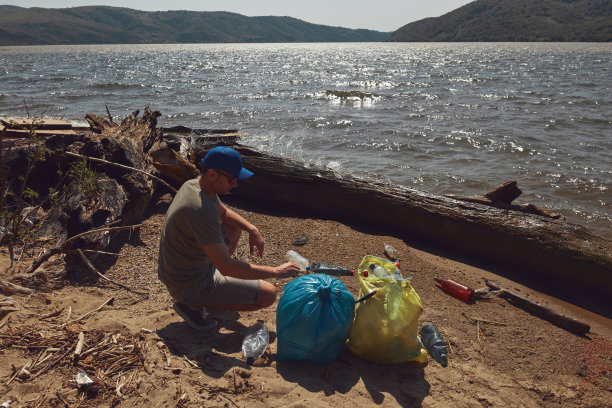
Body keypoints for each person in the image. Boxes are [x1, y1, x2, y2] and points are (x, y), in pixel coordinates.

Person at [158, 146, 300, 331]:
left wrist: (252, 228)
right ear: (211, 174)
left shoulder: (195, 185)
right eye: (231, 179)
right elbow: (226, 267)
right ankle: (191, 305)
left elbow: (224, 213)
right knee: (269, 294)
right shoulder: (200, 210)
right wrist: (276, 271)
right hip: (187, 285)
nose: (235, 185)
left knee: (234, 227)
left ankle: (213, 291)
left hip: (182, 270)